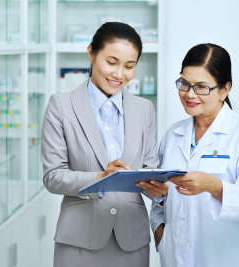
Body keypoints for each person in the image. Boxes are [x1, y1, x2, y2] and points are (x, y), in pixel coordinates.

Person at [41, 22, 168, 267]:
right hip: (79, 242)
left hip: (131, 241)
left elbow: (150, 168)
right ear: (91, 53)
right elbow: (53, 177)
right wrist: (101, 176)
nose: (119, 74)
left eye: (129, 66)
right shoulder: (61, 106)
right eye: (111, 62)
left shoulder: (144, 109)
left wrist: (161, 191)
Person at [148, 43, 239, 266]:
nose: (189, 94)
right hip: (177, 255)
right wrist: (161, 232)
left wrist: (215, 186)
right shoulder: (173, 135)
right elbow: (162, 198)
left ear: (224, 90)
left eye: (201, 87)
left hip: (228, 258)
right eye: (184, 83)